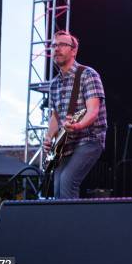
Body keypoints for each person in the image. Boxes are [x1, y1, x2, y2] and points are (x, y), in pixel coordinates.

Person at [43, 30, 107, 199]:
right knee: (56, 187)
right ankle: (61, 224)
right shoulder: (54, 84)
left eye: (62, 45)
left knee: (67, 181)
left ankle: (70, 225)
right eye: (54, 45)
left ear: (74, 50)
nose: (57, 49)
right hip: (65, 145)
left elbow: (93, 111)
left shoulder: (88, 74)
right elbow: (56, 116)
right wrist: (49, 138)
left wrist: (77, 125)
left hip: (89, 140)